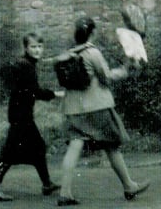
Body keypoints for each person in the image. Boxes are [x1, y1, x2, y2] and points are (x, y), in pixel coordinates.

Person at [56, 16, 149, 206]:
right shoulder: (92, 53)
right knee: (111, 146)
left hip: (72, 108)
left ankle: (65, 192)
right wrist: (125, 69)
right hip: (96, 107)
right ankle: (129, 185)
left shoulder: (68, 53)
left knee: (74, 147)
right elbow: (106, 77)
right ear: (92, 33)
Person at [0, 33, 59, 201]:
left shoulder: (27, 64)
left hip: (21, 114)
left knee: (38, 147)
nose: (37, 50)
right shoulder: (27, 67)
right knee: (9, 153)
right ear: (26, 48)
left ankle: (47, 184)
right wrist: (54, 94)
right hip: (21, 116)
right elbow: (35, 92)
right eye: (33, 47)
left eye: (40, 46)